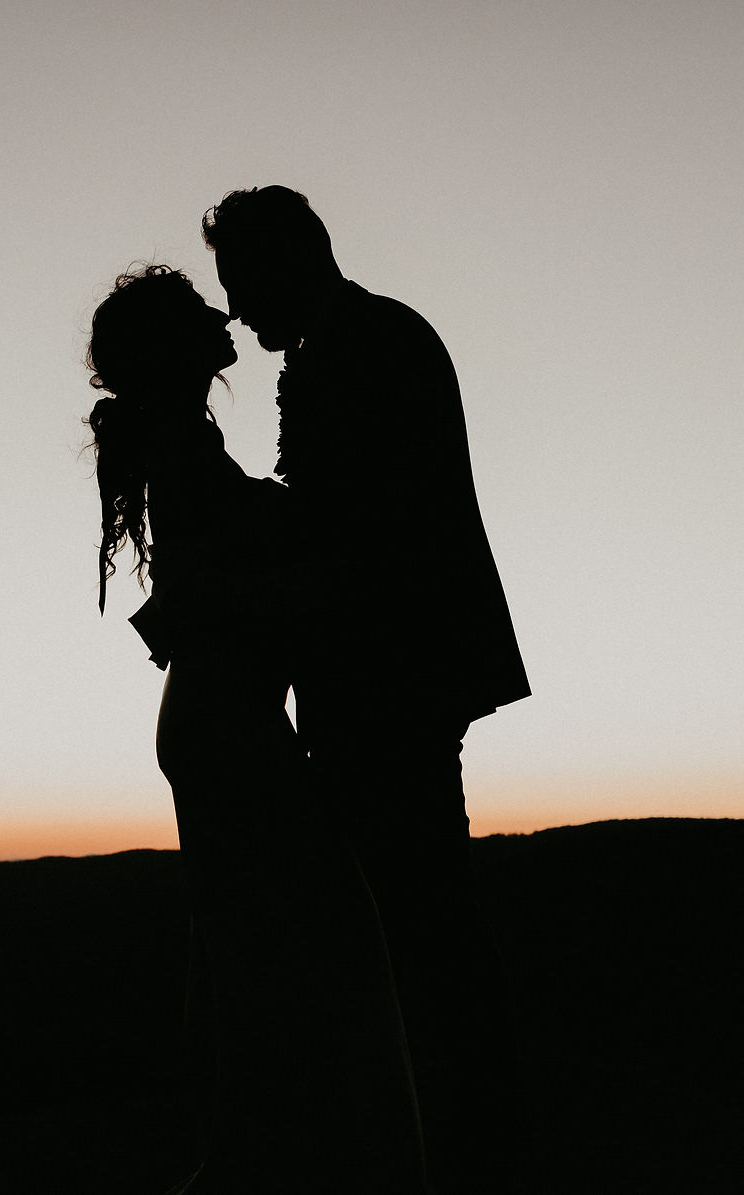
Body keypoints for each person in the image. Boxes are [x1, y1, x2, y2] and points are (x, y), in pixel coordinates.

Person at [201, 187, 532, 1194]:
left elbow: (356, 532)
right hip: (394, 671)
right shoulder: (357, 342)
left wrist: (229, 534)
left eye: (241, 283)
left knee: (412, 908)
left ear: (288, 259)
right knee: (414, 901)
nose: (237, 312)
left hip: (391, 674)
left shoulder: (358, 351)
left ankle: (460, 1132)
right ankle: (451, 1118)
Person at [85, 265, 429, 1193]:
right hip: (228, 723)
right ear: (172, 346)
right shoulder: (185, 447)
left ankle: (256, 1149)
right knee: (306, 941)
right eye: (201, 309)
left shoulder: (183, 442)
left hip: (219, 717)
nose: (222, 314)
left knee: (255, 942)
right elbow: (227, 586)